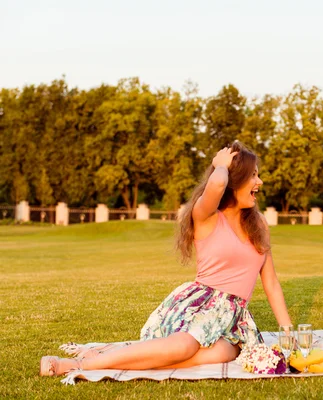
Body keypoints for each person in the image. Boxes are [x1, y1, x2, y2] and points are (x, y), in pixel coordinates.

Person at [40, 141, 292, 376]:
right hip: (201, 305)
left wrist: (288, 334)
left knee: (221, 354)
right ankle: (80, 364)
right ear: (234, 180)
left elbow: (270, 283)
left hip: (233, 319)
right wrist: (221, 165)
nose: (260, 181)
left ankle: (114, 356)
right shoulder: (206, 215)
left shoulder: (258, 224)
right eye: (253, 175)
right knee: (183, 348)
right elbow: (215, 186)